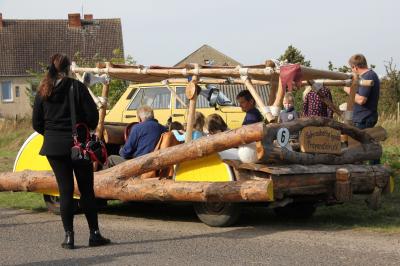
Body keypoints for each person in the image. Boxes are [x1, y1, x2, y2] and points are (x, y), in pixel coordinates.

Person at [32, 53, 110, 249]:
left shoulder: (43, 91)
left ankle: (69, 237)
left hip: (54, 148)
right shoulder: (77, 87)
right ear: (68, 69)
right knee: (86, 191)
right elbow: (93, 119)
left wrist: (52, 134)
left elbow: (36, 123)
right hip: (79, 146)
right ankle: (94, 234)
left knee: (65, 191)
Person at [343, 54, 380, 129]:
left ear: (355, 67)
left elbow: (361, 100)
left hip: (363, 119)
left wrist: (348, 90)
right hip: (362, 118)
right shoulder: (368, 75)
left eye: (351, 68)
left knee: (355, 140)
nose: (352, 71)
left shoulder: (368, 76)